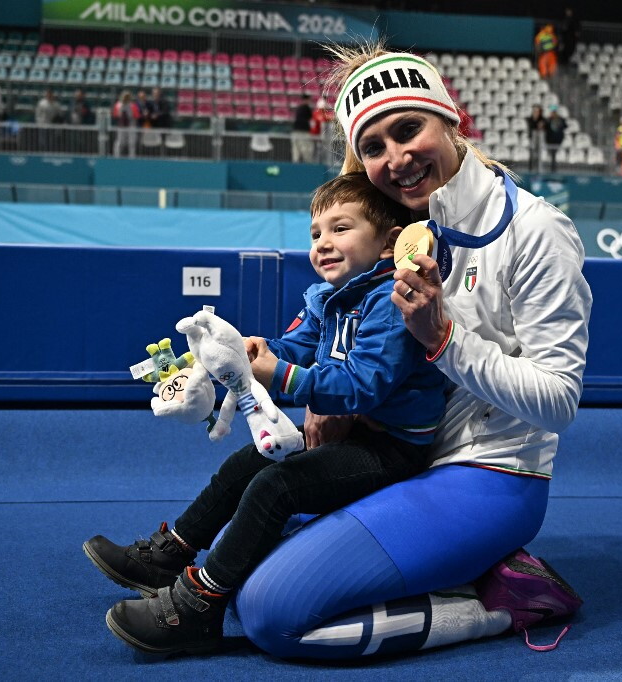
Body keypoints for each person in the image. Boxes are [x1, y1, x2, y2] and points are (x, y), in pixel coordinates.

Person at [93, 43, 591, 662]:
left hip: (489, 474)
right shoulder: (405, 223)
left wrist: (443, 340)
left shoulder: (538, 232)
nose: (397, 159)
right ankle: (184, 560)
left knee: (272, 615)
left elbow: (560, 402)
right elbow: (337, 348)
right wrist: (239, 361)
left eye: (409, 129)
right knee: (252, 547)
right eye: (374, 147)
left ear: (451, 117)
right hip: (397, 450)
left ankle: (498, 602)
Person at [88, 171, 449, 657]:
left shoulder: (390, 304)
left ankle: (201, 602)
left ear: (388, 243)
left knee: (275, 486)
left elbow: (363, 387)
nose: (322, 243)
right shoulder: (325, 298)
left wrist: (278, 374)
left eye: (341, 228)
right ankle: (172, 552)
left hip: (392, 447)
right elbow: (292, 348)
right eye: (316, 233)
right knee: (246, 464)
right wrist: (245, 350)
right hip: (355, 433)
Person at [112, 90, 140, 158]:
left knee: (131, 143)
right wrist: (120, 110)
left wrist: (131, 111)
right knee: (120, 142)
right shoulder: (118, 105)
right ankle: (117, 157)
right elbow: (115, 115)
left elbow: (137, 115)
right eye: (125, 97)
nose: (126, 98)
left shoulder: (133, 105)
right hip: (121, 127)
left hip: (131, 126)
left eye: (127, 97)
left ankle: (132, 157)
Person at [291, 93, 314, 163]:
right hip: (303, 132)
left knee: (296, 150)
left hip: (295, 131)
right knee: (305, 149)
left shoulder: (298, 108)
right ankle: (307, 165)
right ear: (307, 100)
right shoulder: (306, 108)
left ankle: (295, 165)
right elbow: (311, 119)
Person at [544, 104, 568, 172]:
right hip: (550, 140)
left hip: (557, 140)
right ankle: (551, 169)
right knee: (551, 155)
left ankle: (553, 169)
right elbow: (545, 128)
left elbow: (565, 126)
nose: (553, 113)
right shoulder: (548, 120)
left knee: (554, 155)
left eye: (554, 112)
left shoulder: (560, 119)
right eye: (552, 112)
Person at [525, 104, 545, 171]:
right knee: (532, 153)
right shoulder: (530, 119)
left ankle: (538, 167)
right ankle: (531, 168)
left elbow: (543, 127)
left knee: (538, 154)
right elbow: (531, 127)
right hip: (532, 138)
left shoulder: (542, 119)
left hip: (539, 139)